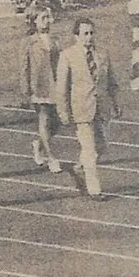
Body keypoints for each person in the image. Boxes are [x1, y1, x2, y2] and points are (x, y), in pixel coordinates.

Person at [55, 18, 120, 201]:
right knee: (89, 150)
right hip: (81, 110)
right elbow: (61, 88)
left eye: (91, 33)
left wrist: (116, 103)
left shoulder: (102, 54)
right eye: (85, 33)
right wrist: (63, 111)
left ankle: (81, 166)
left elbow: (112, 82)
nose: (89, 37)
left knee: (102, 147)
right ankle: (94, 190)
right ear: (76, 36)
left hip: (101, 108)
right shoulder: (67, 55)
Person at [20, 5, 62, 173]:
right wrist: (25, 89)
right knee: (44, 120)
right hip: (39, 86)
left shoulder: (55, 40)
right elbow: (24, 67)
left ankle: (39, 144)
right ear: (34, 21)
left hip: (56, 86)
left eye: (48, 17)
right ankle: (51, 157)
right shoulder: (28, 42)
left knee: (57, 122)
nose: (47, 21)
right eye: (43, 18)